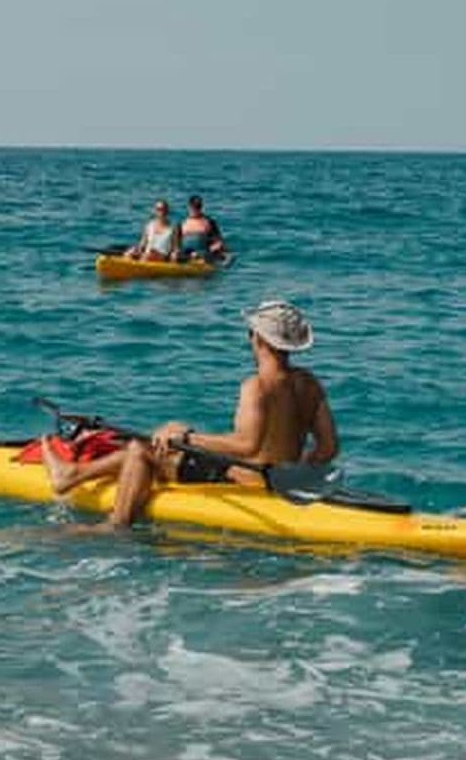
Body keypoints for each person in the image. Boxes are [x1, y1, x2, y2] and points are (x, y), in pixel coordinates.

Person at [40, 299, 338, 529]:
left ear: (258, 338)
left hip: (243, 481)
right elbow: (328, 449)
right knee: (170, 428)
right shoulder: (309, 383)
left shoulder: (257, 386)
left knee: (141, 449)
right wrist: (291, 470)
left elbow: (246, 445)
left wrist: (186, 438)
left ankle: (113, 522)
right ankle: (78, 473)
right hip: (274, 479)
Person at [179, 195, 226, 260]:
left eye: (198, 207)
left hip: (202, 253)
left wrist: (214, 248)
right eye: (193, 207)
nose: (195, 209)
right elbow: (176, 243)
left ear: (201, 207)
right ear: (189, 207)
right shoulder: (183, 222)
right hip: (186, 253)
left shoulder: (209, 222)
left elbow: (219, 241)